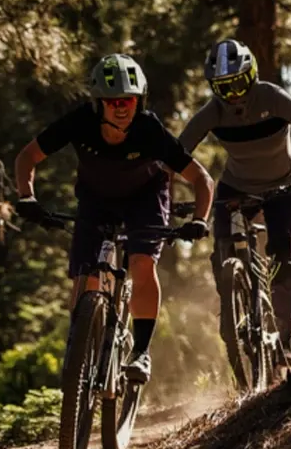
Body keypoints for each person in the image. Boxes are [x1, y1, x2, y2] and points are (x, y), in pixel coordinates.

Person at [12, 54, 215, 384]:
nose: (122, 107)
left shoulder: (149, 129)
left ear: (139, 101)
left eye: (129, 100)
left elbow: (202, 179)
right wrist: (27, 197)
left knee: (141, 263)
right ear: (98, 104)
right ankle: (83, 348)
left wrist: (200, 219)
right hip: (95, 199)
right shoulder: (80, 122)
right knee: (85, 276)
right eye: (114, 101)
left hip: (145, 199)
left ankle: (140, 353)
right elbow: (27, 157)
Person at [178, 40, 291, 367]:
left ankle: (286, 340)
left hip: (284, 187)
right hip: (235, 188)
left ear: (252, 75)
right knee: (222, 249)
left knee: (282, 256)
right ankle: (232, 307)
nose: (233, 94)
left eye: (238, 83)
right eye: (224, 87)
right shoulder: (213, 112)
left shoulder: (272, 97)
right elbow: (176, 155)